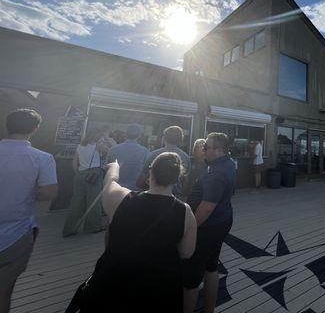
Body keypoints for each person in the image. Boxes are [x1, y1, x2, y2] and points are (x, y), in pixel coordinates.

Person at [68, 153, 196, 312]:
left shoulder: (121, 198)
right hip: (159, 287)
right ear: (177, 178)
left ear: (151, 173)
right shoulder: (185, 212)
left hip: (113, 281)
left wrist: (114, 168)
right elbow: (186, 252)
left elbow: (110, 181)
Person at [0, 109, 57, 312]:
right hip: (16, 233)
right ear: (35, 129)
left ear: (8, 125)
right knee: (4, 290)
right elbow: (48, 193)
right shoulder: (42, 158)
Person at [183, 133, 236, 313]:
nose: (203, 149)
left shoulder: (216, 174)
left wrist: (189, 229)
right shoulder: (228, 163)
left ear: (219, 150)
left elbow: (206, 208)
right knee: (211, 266)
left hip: (207, 227)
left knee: (191, 278)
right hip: (223, 219)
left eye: (206, 147)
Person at [62, 128, 105, 237]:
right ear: (97, 136)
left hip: (80, 174)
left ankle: (69, 229)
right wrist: (106, 140)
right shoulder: (98, 146)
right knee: (93, 202)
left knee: (76, 203)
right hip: (94, 175)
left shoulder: (80, 146)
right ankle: (93, 227)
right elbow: (110, 151)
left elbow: (74, 163)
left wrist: (79, 173)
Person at [136, 126, 190, 196]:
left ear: (164, 138)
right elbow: (185, 181)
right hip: (174, 197)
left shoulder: (153, 155)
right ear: (181, 140)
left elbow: (141, 179)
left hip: (153, 195)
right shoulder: (185, 157)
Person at [106, 124, 149, 190]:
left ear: (126, 134)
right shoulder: (145, 152)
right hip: (134, 189)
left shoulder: (113, 149)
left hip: (115, 187)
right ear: (139, 136)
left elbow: (107, 168)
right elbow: (146, 171)